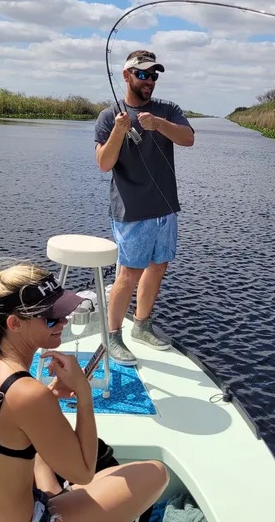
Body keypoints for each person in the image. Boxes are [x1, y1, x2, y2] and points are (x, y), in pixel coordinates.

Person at [0, 260, 169, 522]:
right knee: (155, 473)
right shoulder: (27, 394)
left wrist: (48, 396)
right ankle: (56, 496)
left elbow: (8, 427)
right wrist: (83, 392)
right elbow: (84, 472)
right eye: (51, 318)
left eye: (63, 311)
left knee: (45, 455)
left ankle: (55, 493)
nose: (63, 321)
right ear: (14, 323)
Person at [95, 50, 195, 365]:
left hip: (165, 208)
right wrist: (118, 131)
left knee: (158, 266)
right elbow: (104, 163)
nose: (149, 80)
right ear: (127, 76)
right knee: (129, 274)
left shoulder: (168, 110)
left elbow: (188, 139)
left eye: (153, 75)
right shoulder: (109, 116)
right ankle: (112, 336)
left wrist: (158, 124)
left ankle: (141, 325)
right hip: (131, 211)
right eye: (142, 74)